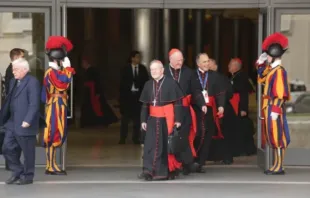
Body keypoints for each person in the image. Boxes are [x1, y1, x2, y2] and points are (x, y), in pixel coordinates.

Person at [139, 60, 184, 181]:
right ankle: (148, 171)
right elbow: (145, 104)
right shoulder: (148, 84)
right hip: (152, 119)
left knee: (163, 146)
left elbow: (178, 103)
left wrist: (178, 120)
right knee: (150, 146)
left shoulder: (171, 83)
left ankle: (161, 172)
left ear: (162, 70)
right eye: (151, 69)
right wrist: (143, 120)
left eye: (156, 69)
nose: (153, 71)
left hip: (166, 119)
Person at [164, 48, 206, 175]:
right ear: (170, 59)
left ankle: (186, 163)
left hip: (184, 110)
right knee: (170, 136)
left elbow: (196, 90)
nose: (180, 63)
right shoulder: (163, 71)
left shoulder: (189, 72)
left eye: (181, 60)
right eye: (177, 60)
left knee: (183, 136)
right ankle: (175, 164)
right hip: (168, 110)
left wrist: (202, 103)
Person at [0, 58, 40, 185]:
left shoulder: (32, 82)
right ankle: (17, 171)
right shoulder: (13, 81)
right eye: (13, 69)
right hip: (12, 121)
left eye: (16, 69)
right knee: (6, 147)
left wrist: (28, 120)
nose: (13, 71)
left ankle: (27, 176)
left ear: (25, 69)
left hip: (25, 122)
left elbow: (34, 104)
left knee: (28, 152)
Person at [256, 32, 290, 175]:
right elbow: (261, 76)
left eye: (268, 55)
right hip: (268, 106)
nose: (267, 57)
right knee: (272, 136)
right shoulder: (273, 70)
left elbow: (280, 92)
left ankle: (279, 166)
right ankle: (276, 165)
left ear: (274, 54)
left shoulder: (279, 71)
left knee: (277, 137)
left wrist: (275, 110)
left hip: (273, 107)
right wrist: (261, 61)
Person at [41, 36, 75, 175]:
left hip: (59, 105)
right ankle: (50, 166)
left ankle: (52, 164)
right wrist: (68, 69)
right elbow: (63, 84)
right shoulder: (51, 73)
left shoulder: (55, 72)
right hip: (55, 105)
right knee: (52, 133)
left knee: (57, 133)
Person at [191, 53, 226, 173]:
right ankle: (192, 160)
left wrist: (221, 106)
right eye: (204, 62)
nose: (207, 64)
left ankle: (200, 163)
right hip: (196, 109)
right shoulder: (192, 75)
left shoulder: (214, 76)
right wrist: (200, 103)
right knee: (197, 133)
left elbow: (220, 92)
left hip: (210, 109)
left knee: (207, 135)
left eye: (208, 61)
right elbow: (193, 92)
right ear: (198, 63)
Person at [207, 58, 236, 165]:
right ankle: (223, 157)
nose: (208, 67)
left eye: (209, 65)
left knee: (222, 132)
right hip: (215, 107)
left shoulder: (221, 78)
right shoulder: (220, 78)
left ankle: (221, 156)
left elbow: (229, 93)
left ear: (215, 66)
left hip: (219, 109)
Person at [119, 51, 149, 144]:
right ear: (132, 58)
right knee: (125, 119)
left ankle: (136, 138)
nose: (138, 59)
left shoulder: (143, 69)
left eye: (139, 57)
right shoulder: (125, 68)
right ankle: (122, 138)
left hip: (138, 97)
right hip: (128, 97)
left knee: (137, 119)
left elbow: (145, 82)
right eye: (136, 57)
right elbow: (121, 83)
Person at [228, 58, 256, 156]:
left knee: (243, 129)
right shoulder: (235, 76)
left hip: (240, 107)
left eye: (230, 65)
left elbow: (244, 94)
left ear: (236, 66)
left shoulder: (241, 77)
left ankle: (245, 150)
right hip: (236, 107)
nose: (228, 66)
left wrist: (243, 109)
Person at [80, 56, 118, 128]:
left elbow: (97, 82)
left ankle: (101, 122)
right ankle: (90, 123)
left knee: (99, 107)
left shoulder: (93, 70)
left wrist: (98, 92)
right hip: (89, 92)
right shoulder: (86, 71)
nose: (82, 65)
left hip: (94, 92)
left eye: (83, 63)